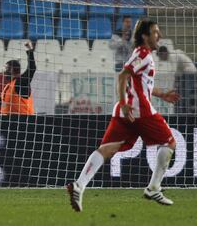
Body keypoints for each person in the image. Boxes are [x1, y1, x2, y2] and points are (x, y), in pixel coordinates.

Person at [67, 19, 181, 212]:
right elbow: (123, 76)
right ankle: (154, 188)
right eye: (155, 32)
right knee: (170, 142)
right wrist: (127, 103)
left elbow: (141, 84)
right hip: (139, 111)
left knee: (107, 149)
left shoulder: (142, 55)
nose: (159, 36)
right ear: (145, 36)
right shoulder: (143, 54)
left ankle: (79, 185)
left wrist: (161, 94)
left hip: (126, 110)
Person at [0, 40, 36, 115]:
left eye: (6, 68)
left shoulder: (21, 82)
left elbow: (32, 68)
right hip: (9, 122)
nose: (4, 71)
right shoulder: (8, 86)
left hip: (23, 122)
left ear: (13, 69)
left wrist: (29, 51)